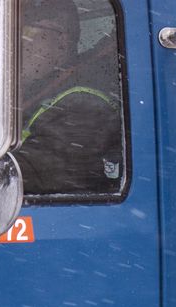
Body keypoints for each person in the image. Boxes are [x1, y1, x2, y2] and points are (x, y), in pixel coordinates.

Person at [11, 0, 124, 197]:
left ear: (62, 42)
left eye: (28, 33)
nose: (16, 44)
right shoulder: (32, 94)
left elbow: (36, 174)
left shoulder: (84, 105)